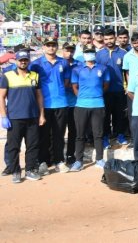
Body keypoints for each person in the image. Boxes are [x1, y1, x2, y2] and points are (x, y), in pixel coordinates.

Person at [1, 50, 45, 182]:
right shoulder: (7, 76)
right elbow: (1, 97)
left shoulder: (35, 76)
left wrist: (41, 115)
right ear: (16, 61)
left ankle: (30, 170)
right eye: (21, 60)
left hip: (32, 117)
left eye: (25, 60)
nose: (23, 62)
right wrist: (3, 116)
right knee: (14, 146)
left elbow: (39, 96)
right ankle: (15, 171)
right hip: (14, 118)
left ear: (29, 61)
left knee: (32, 145)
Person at [30, 38, 70, 174]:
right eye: (48, 45)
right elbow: (33, 85)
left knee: (59, 134)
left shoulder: (63, 62)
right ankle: (43, 162)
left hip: (61, 103)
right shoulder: (36, 64)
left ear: (57, 47)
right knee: (43, 135)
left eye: (53, 45)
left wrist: (58, 91)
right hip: (44, 105)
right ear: (44, 47)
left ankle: (59, 161)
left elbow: (66, 80)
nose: (51, 48)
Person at [71, 46, 109, 169]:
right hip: (81, 105)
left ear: (95, 53)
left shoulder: (103, 68)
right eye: (87, 52)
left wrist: (97, 95)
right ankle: (78, 161)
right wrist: (82, 97)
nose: (89, 54)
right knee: (80, 134)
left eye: (92, 52)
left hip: (98, 105)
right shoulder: (77, 69)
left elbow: (106, 84)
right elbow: (74, 86)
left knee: (98, 134)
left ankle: (99, 159)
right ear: (83, 54)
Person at [95, 29, 129, 148]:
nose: (109, 41)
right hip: (104, 90)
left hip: (119, 89)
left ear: (115, 38)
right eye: (106, 39)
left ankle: (120, 135)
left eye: (111, 38)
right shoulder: (99, 54)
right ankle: (105, 136)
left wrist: (128, 86)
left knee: (119, 114)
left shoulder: (124, 53)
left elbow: (127, 72)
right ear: (103, 40)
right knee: (105, 115)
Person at [61, 43, 80, 165]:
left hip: (74, 103)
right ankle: (57, 156)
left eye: (71, 51)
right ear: (62, 51)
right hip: (61, 103)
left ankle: (70, 154)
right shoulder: (59, 63)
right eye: (67, 50)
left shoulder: (79, 64)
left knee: (73, 131)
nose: (69, 53)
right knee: (59, 131)